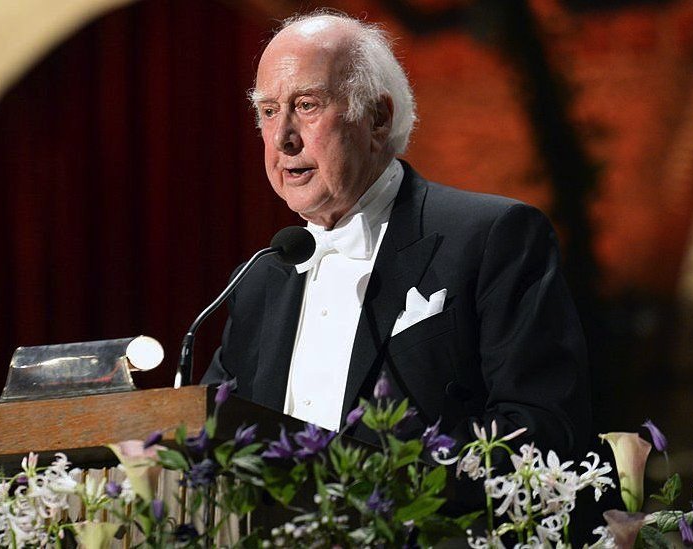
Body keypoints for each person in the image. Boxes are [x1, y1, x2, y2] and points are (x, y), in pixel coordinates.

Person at [201, 10, 591, 462]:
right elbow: (210, 435)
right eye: (269, 112)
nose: (283, 138)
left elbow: (540, 427)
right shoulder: (257, 280)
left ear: (377, 118)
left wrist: (381, 483)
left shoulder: (493, 239)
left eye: (306, 105)